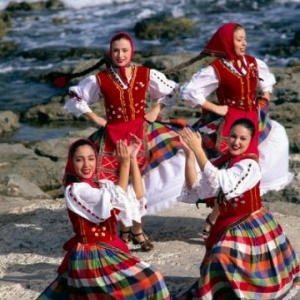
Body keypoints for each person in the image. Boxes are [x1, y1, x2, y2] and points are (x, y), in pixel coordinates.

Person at [63, 31, 188, 241]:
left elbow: (170, 90)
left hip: (142, 131)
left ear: (132, 52)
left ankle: (138, 229)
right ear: (110, 53)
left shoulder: (145, 73)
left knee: (142, 182)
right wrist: (96, 118)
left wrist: (155, 111)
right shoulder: (100, 79)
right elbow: (77, 97)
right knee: (118, 183)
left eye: (124, 50)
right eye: (116, 51)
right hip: (112, 135)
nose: (120, 55)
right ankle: (124, 229)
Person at [179, 22, 293, 240]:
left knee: (248, 169)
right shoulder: (216, 69)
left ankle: (218, 219)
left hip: (254, 121)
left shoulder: (252, 63)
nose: (244, 43)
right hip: (232, 124)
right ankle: (217, 219)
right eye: (239, 39)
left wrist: (265, 97)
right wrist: (216, 108)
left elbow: (266, 81)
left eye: (244, 39)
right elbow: (190, 92)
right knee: (231, 170)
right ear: (227, 42)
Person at [176, 118, 300, 300]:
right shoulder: (224, 161)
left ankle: (245, 292)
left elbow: (220, 181)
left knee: (222, 257)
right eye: (233, 136)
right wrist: (190, 154)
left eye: (243, 138)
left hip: (250, 223)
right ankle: (225, 292)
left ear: (250, 141)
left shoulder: (250, 165)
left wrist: (198, 150)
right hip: (226, 223)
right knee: (218, 259)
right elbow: (196, 188)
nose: (236, 142)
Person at [37, 136, 171, 300]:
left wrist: (132, 159)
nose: (86, 165)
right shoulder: (75, 190)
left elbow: (136, 195)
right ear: (72, 162)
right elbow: (116, 196)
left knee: (152, 278)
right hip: (90, 255)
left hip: (108, 249)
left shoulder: (102, 185)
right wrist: (124, 164)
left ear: (96, 159)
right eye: (79, 160)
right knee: (148, 280)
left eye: (91, 159)